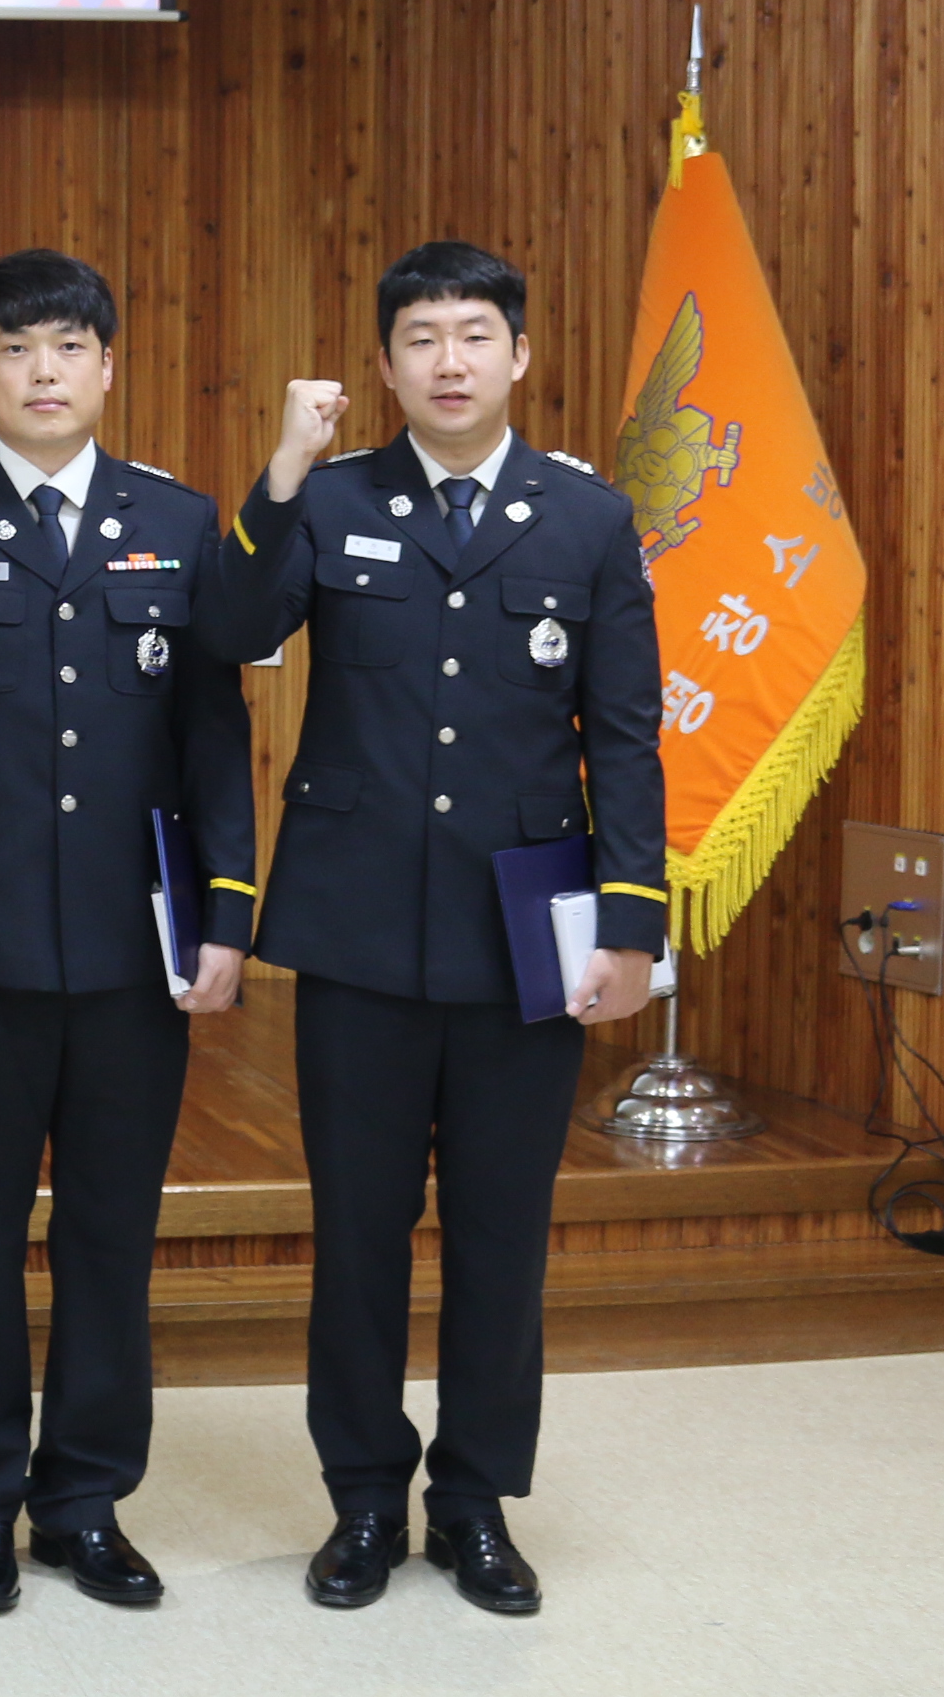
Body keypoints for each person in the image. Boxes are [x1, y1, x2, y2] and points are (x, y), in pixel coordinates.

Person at [192, 241, 666, 1617]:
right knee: (359, 1232)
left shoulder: (588, 520)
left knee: (502, 1232)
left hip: (525, 937)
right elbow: (229, 626)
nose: (449, 361)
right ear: (388, 364)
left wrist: (632, 921)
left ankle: (472, 1502)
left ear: (519, 354)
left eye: (473, 335)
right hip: (358, 930)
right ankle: (360, 1499)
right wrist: (281, 474)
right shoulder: (334, 498)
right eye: (421, 338)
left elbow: (625, 734)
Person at [0, 250, 257, 1615]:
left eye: (68, 347)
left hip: (134, 944)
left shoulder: (176, 520)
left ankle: (85, 1501)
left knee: (110, 1236)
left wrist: (228, 912)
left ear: (107, 367)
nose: (43, 372)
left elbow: (212, 731)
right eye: (15, 350)